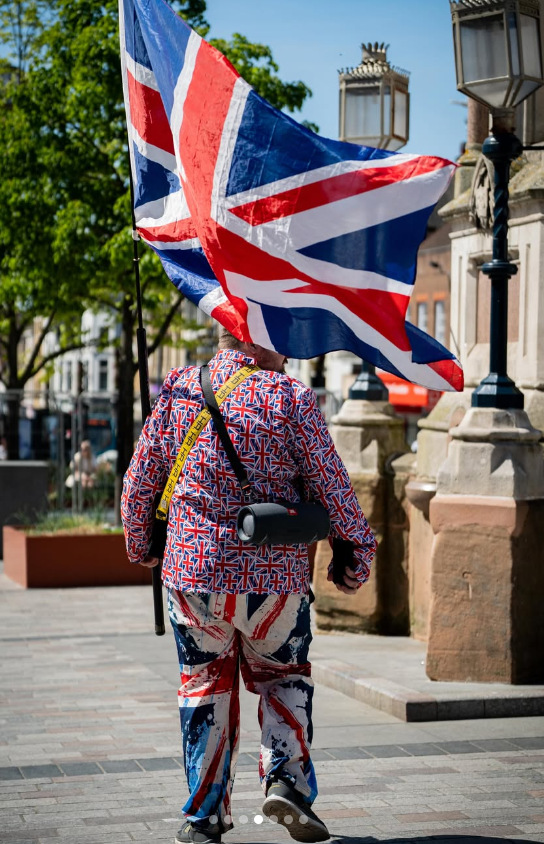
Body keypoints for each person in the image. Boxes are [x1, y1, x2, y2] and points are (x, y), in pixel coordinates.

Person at [121, 328, 376, 844]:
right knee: (284, 674)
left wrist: (140, 542)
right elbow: (334, 489)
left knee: (203, 687)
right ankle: (286, 781)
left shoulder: (178, 388)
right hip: (274, 582)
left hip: (195, 577)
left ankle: (204, 817)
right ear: (260, 338)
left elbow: (139, 482)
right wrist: (356, 556)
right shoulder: (291, 398)